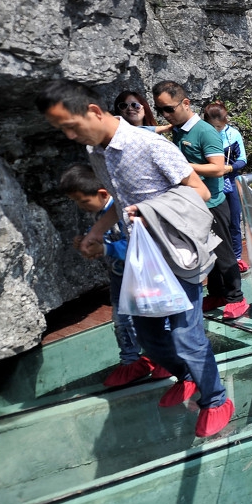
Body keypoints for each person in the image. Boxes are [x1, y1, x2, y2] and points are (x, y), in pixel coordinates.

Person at [38, 80, 234, 438]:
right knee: (149, 337)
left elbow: (200, 191)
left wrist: (149, 211)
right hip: (141, 260)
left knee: (186, 334)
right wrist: (97, 232)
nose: (69, 136)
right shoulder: (95, 152)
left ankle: (217, 399)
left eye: (71, 125)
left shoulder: (148, 144)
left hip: (175, 254)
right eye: (61, 130)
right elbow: (116, 202)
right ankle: (187, 377)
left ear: (94, 112)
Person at [58, 164, 173, 388]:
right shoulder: (100, 213)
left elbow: (135, 244)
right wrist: (89, 241)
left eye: (82, 201)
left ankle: (166, 358)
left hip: (141, 277)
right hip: (120, 277)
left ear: (103, 193)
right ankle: (132, 360)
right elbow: (110, 239)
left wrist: (105, 249)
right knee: (122, 320)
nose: (81, 207)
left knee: (155, 317)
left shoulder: (123, 212)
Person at [151, 81, 248, 320]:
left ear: (186, 103)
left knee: (224, 254)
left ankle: (237, 298)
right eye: (160, 110)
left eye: (169, 109)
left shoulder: (204, 132)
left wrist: (180, 166)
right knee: (207, 252)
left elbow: (217, 169)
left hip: (212, 203)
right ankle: (217, 293)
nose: (165, 115)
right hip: (192, 203)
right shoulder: (179, 129)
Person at [203, 100, 249, 272]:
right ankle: (215, 260)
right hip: (208, 183)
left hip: (229, 180)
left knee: (234, 221)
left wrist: (228, 168)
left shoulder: (233, 134)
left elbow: (242, 159)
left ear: (226, 121)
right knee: (212, 224)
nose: (216, 130)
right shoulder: (202, 133)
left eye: (219, 127)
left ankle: (236, 257)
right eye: (213, 127)